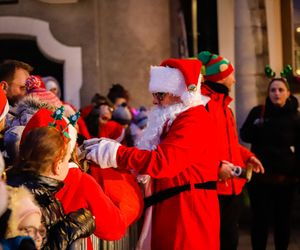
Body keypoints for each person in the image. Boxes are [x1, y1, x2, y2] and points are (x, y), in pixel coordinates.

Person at [83, 58, 221, 250]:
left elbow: (163, 162)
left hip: (187, 213)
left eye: (160, 94)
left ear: (179, 92)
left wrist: (116, 154)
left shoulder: (193, 120)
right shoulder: (177, 119)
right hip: (174, 208)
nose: (155, 100)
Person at [198, 51, 264, 250]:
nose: (234, 80)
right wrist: (216, 166)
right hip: (214, 186)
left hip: (232, 186)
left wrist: (248, 156)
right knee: (217, 241)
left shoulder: (226, 108)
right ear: (220, 77)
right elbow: (199, 147)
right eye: (230, 75)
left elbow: (230, 145)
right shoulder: (204, 106)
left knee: (230, 239)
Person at [7, 108, 95, 250]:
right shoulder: (31, 204)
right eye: (67, 159)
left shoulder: (17, 185)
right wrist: (68, 230)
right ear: (57, 164)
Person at [240, 67, 300, 250]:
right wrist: (258, 127)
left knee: (283, 221)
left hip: (285, 179)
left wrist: (296, 171)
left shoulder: (295, 117)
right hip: (260, 178)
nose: (276, 93)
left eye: (281, 90)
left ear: (288, 93)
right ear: (268, 93)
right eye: (273, 90)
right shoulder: (259, 112)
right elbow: (245, 134)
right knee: (260, 221)